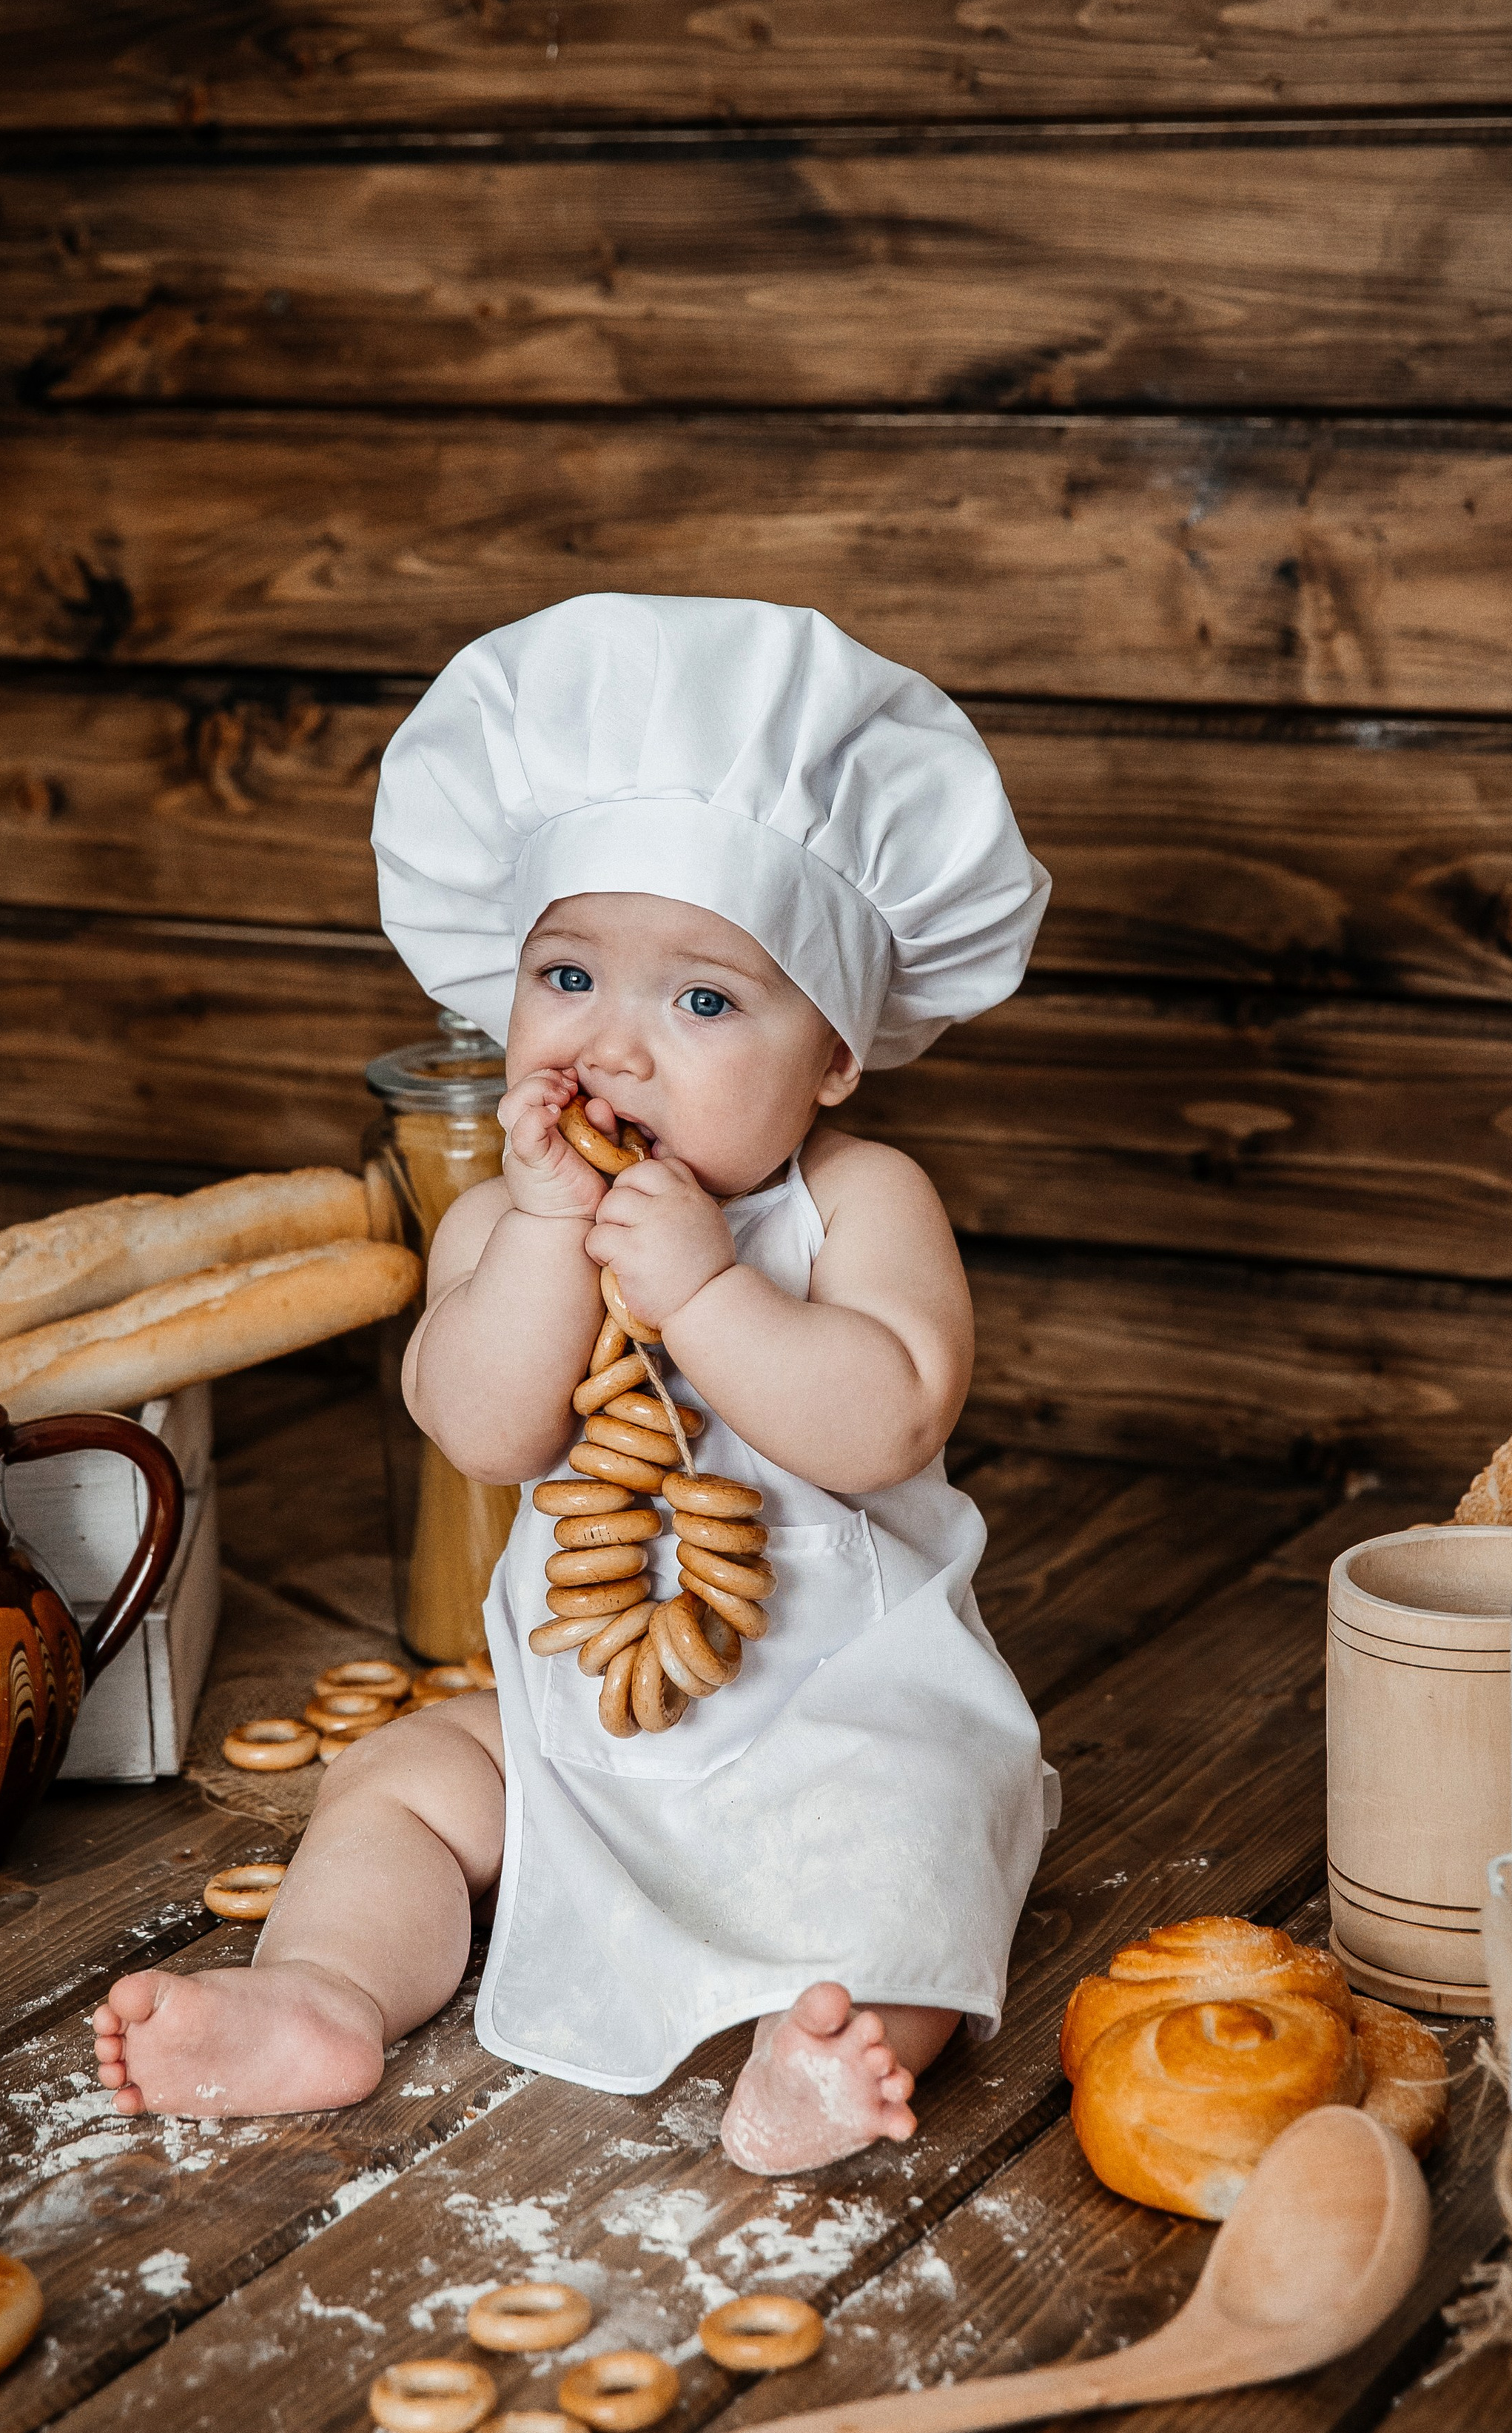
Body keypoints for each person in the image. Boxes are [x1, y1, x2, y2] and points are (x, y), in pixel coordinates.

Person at [93, 594, 1054, 2173]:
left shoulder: (859, 1203)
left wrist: (704, 1288)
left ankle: (829, 2054)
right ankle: (319, 1995)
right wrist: (550, 1235)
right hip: (581, 1735)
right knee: (400, 1779)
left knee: (925, 1855)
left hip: (843, 1727)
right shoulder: (504, 1216)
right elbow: (479, 1426)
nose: (614, 1046)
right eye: (566, 977)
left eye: (701, 1000)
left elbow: (887, 1420)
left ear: (832, 1056)